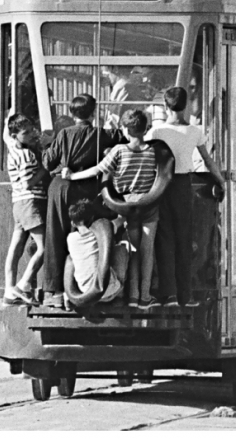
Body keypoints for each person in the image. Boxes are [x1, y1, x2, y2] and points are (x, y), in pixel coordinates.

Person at [63, 109, 160, 310]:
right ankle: (145, 295)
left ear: (125, 129)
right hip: (149, 205)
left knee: (132, 250)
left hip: (126, 205)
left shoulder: (119, 150)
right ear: (145, 129)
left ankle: (132, 297)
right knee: (147, 250)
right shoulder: (153, 151)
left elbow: (98, 170)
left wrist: (72, 177)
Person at [146, 86, 226, 307]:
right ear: (186, 105)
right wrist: (219, 180)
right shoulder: (195, 131)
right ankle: (185, 295)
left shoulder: (156, 132)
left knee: (164, 239)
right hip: (184, 185)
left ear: (165, 106)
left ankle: (168, 294)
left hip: (161, 185)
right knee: (184, 239)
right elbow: (208, 160)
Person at [40, 94, 121, 308]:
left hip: (60, 189)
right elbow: (123, 138)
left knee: (55, 235)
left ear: (71, 113)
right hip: (85, 188)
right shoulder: (101, 134)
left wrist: (47, 146)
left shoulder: (64, 134)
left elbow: (48, 162)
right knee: (85, 236)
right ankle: (83, 286)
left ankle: (54, 292)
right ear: (94, 113)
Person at [2, 114, 47, 306]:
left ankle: (9, 289)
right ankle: (23, 284)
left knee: (16, 248)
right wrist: (46, 168)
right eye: (25, 133)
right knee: (44, 247)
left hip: (18, 204)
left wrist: (6, 121)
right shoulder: (26, 155)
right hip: (31, 202)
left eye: (31, 131)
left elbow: (5, 135)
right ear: (16, 135)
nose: (30, 135)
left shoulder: (13, 149)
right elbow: (29, 182)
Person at [66, 199, 127, 303]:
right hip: (110, 292)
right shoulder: (104, 230)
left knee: (72, 258)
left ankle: (66, 296)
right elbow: (121, 219)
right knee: (121, 250)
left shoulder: (71, 238)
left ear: (72, 223)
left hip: (85, 293)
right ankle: (121, 292)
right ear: (92, 218)